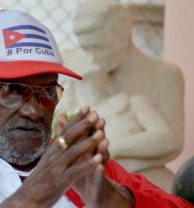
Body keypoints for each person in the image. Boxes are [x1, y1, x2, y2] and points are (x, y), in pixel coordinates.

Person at [0, 10, 192, 208]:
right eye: (12, 90)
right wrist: (34, 196)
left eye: (47, 91)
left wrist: (107, 197)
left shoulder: (76, 165)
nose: (34, 110)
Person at [58, 0, 184, 191]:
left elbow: (171, 142)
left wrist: (111, 149)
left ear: (123, 32)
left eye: (99, 47)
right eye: (86, 48)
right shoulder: (77, 67)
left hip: (146, 185)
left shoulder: (164, 75)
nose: (92, 57)